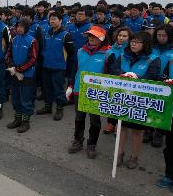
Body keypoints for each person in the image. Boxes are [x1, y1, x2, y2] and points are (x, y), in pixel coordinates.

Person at [67, 26, 115, 159]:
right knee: (79, 118)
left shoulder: (108, 54)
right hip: (79, 90)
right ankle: (78, 140)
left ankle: (92, 144)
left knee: (95, 121)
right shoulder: (80, 51)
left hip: (96, 93)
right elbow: (74, 70)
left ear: (102, 38)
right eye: (90, 35)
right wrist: (70, 85)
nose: (91, 38)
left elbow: (111, 76)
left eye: (95, 36)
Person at [114, 32, 161, 169]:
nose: (133, 44)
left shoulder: (153, 58)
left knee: (137, 131)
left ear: (145, 44)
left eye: (137, 42)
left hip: (140, 100)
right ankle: (119, 153)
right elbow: (113, 70)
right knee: (121, 126)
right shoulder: (123, 55)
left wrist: (136, 78)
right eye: (132, 41)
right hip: (122, 97)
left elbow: (153, 77)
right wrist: (122, 75)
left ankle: (134, 156)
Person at [36, 12, 74, 120]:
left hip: (59, 67)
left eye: (55, 19)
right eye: (51, 19)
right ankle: (47, 107)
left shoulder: (66, 35)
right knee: (46, 89)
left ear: (61, 20)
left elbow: (71, 52)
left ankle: (59, 109)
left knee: (58, 89)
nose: (52, 21)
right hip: (46, 66)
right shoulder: (47, 34)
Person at [5, 18, 39, 133]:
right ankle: (17, 119)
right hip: (14, 73)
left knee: (25, 99)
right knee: (15, 98)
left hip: (27, 75)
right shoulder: (14, 39)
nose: (18, 29)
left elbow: (33, 59)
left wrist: (19, 69)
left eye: (21, 26)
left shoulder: (32, 41)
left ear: (26, 28)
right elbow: (8, 55)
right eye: (17, 26)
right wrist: (13, 68)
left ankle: (26, 122)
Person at [155, 52, 173, 194]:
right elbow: (162, 78)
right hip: (172, 111)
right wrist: (167, 83)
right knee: (170, 146)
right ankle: (169, 174)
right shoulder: (172, 61)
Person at [103, 27, 132, 134]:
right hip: (112, 78)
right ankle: (111, 122)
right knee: (113, 101)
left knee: (124, 102)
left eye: (125, 36)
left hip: (126, 79)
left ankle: (120, 126)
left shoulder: (131, 50)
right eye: (120, 35)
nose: (121, 38)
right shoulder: (110, 50)